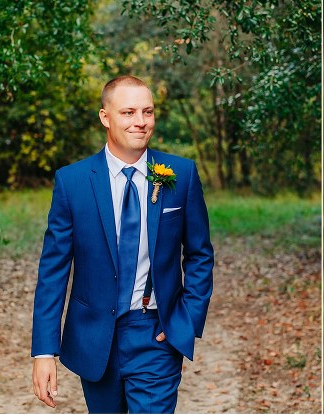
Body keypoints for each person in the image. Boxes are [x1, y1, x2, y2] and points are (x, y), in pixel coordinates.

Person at [31, 75, 214, 413]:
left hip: (155, 334)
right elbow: (53, 271)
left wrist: (186, 319)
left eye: (148, 111)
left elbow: (200, 254)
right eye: (128, 112)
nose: (141, 121)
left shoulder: (180, 174)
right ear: (106, 117)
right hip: (94, 337)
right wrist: (44, 352)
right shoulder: (73, 182)